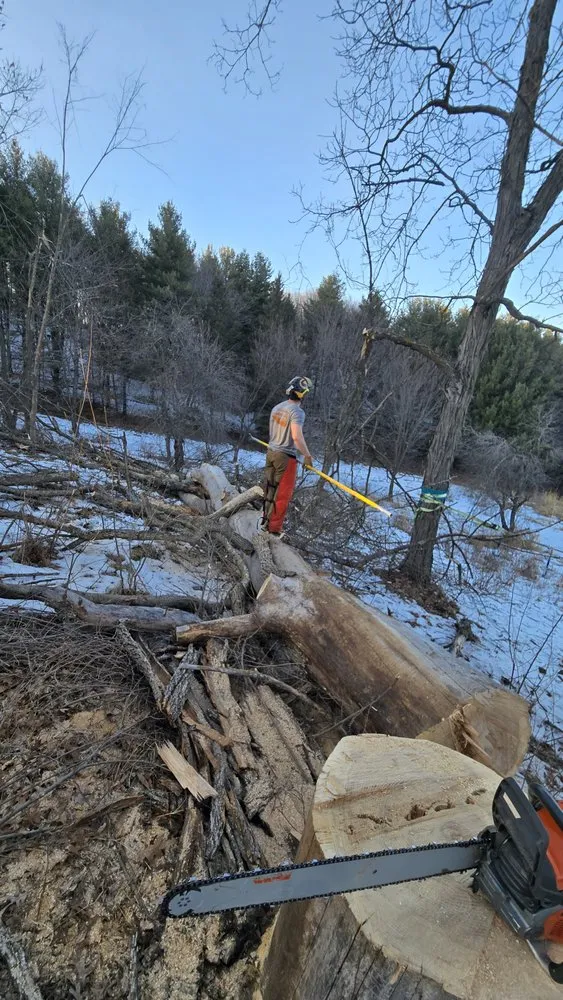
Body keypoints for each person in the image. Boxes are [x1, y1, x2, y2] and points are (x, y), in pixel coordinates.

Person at [261, 376, 313, 536]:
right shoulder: (297, 412)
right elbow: (296, 437)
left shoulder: (277, 407)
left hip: (271, 452)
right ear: (303, 393)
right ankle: (273, 530)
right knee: (282, 494)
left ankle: (264, 522)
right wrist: (307, 456)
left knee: (270, 489)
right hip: (285, 457)